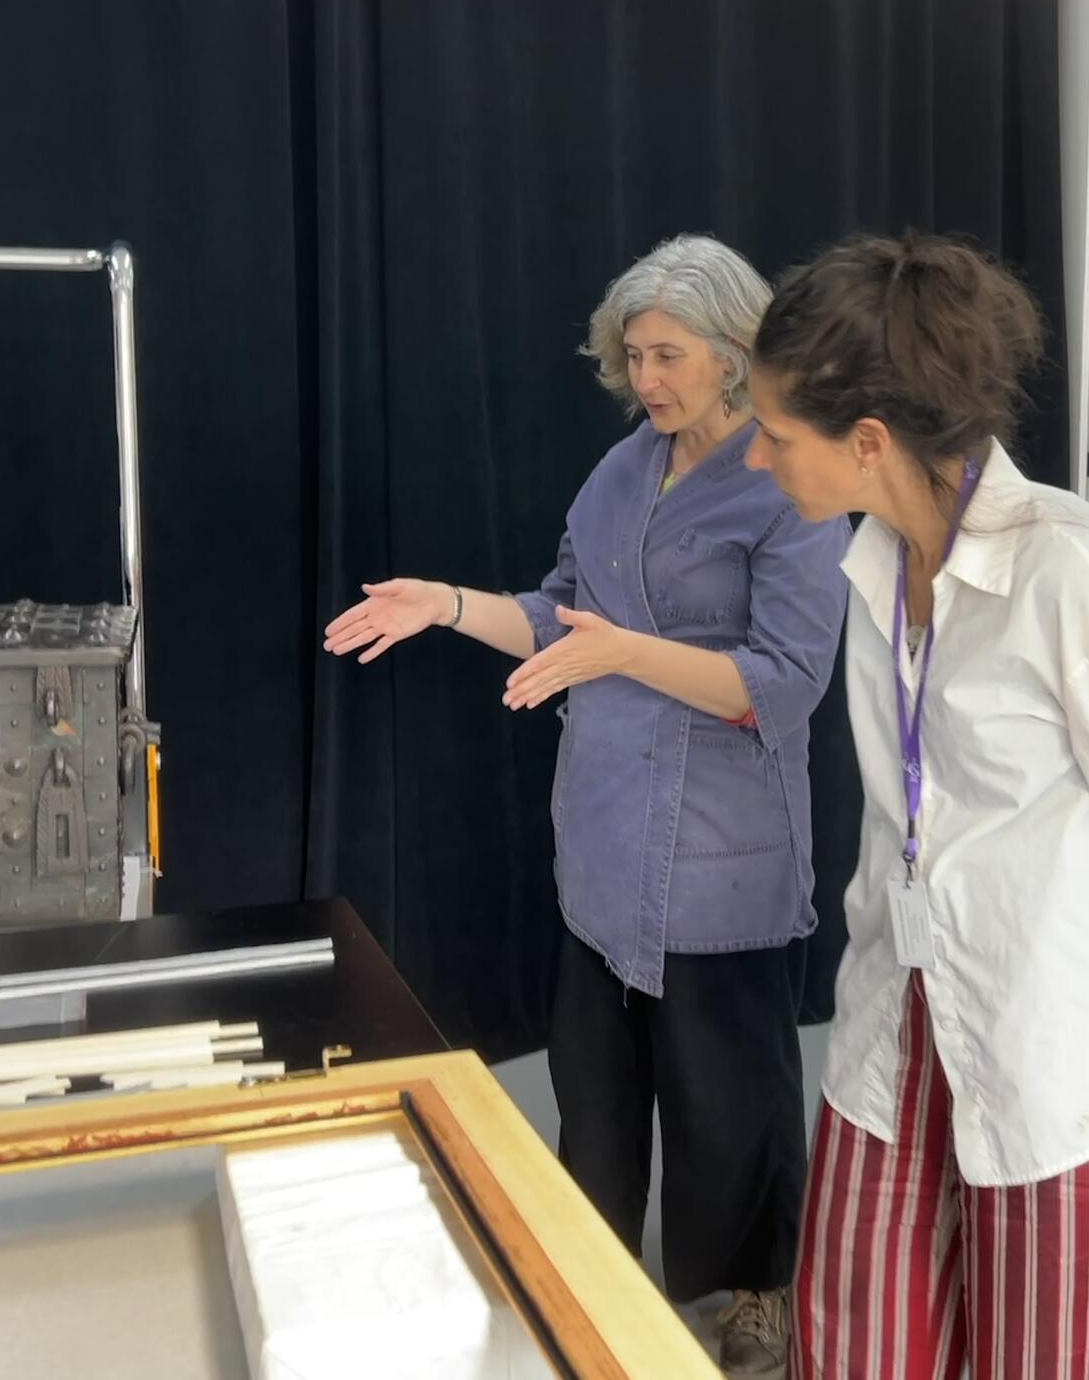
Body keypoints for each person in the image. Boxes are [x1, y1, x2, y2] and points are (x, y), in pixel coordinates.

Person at [324, 234, 850, 1375]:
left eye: (665, 354)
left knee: (726, 1106)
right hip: (606, 847)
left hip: (720, 859)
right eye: (632, 355)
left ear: (730, 351)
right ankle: (591, 1273)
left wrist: (629, 652)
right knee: (598, 1105)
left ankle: (750, 1300)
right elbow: (557, 613)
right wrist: (447, 604)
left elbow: (785, 684)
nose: (644, 378)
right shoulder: (622, 471)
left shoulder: (789, 480)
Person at [741, 232, 1089, 1380]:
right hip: (896, 1013)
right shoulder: (870, 566)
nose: (757, 460)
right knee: (854, 1349)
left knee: (1047, 1359)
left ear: (866, 443)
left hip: (1050, 1038)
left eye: (775, 436)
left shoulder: (1067, 578)